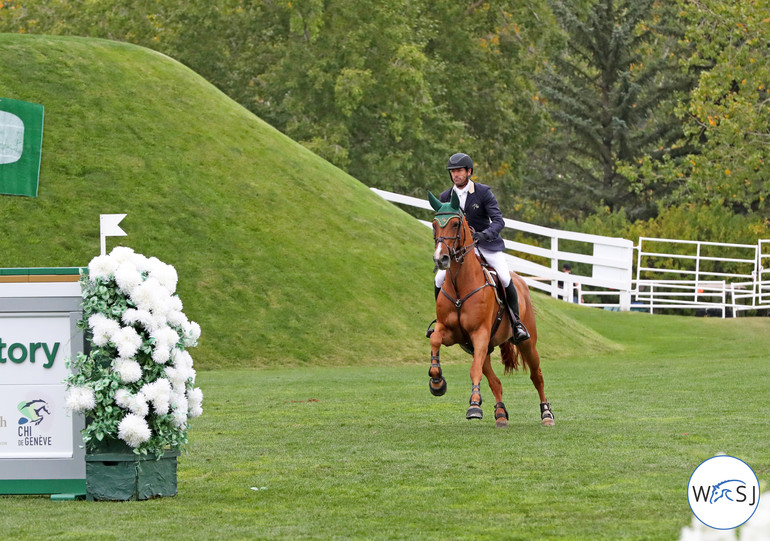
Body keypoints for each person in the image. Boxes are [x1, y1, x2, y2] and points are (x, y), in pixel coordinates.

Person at [432, 152, 529, 343]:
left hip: (486, 246)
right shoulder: (445, 196)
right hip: (460, 250)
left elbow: (498, 221)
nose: (456, 175)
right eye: (453, 172)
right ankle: (440, 320)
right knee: (439, 278)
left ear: (469, 172)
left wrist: (484, 234)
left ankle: (516, 323)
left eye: (459, 171)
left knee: (504, 276)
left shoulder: (483, 192)